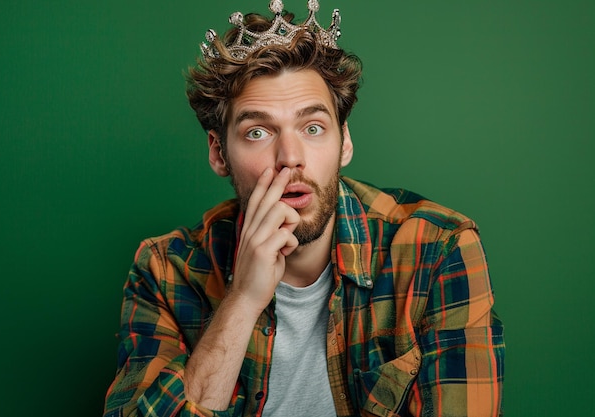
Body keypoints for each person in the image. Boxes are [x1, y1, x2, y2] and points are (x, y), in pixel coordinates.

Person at [103, 1, 505, 416]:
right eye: (257, 131)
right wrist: (241, 300)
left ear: (344, 142)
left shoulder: (436, 250)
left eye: (312, 127)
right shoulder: (166, 271)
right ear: (219, 152)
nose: (290, 157)